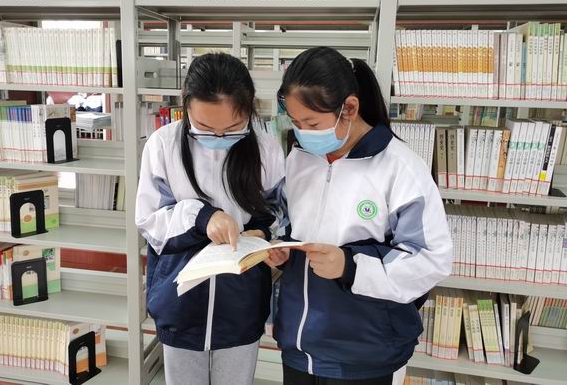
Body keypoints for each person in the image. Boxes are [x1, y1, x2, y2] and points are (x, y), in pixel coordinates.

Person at [266, 47, 452, 385]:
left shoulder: (400, 167)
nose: (302, 132)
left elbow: (430, 259)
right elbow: (287, 222)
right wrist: (279, 250)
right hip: (299, 344)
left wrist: (350, 266)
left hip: (364, 353)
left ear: (349, 108)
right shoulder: (299, 159)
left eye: (312, 123)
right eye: (295, 122)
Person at [136, 53, 285, 385]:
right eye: (204, 127)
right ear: (186, 106)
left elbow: (278, 211)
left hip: (241, 303)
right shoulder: (163, 145)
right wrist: (202, 217)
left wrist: (262, 233)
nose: (219, 139)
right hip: (179, 303)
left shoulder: (266, 149)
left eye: (232, 128)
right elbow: (150, 221)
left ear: (249, 109)